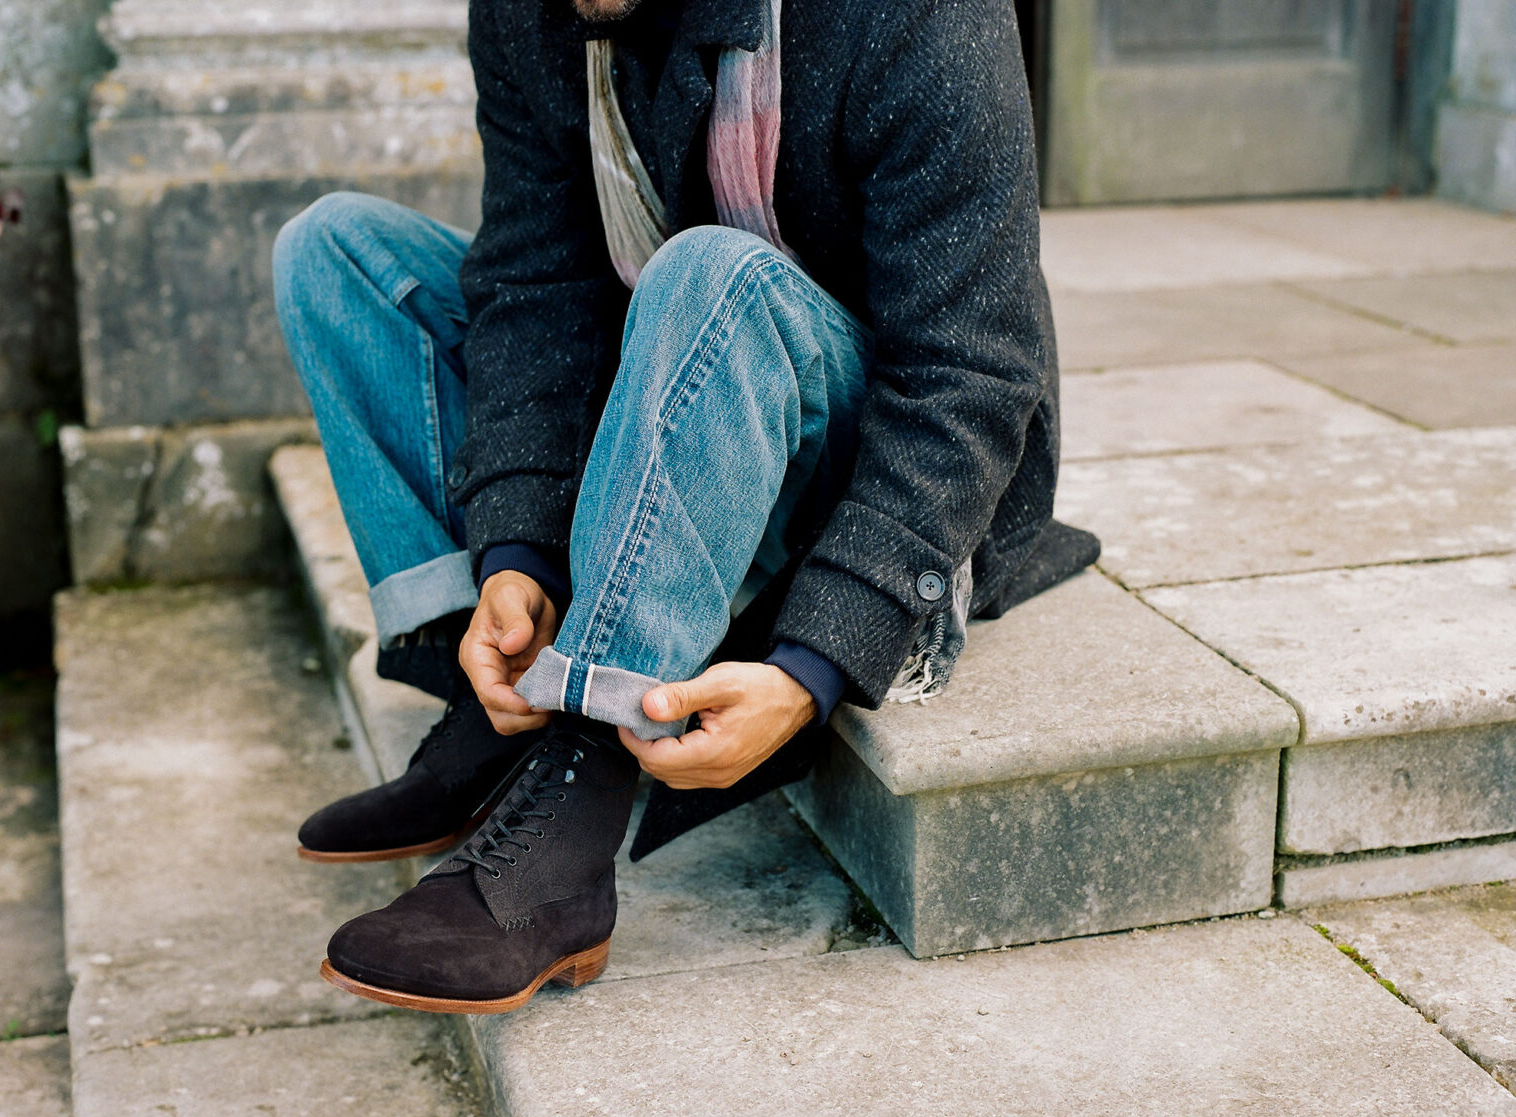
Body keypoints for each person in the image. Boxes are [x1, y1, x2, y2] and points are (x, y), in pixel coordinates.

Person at [271, 0, 1095, 1014]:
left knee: (713, 270)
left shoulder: (916, 13)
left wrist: (813, 668)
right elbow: (539, 281)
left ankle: (576, 782)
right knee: (338, 255)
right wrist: (514, 552)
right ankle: (495, 701)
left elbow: (971, 370)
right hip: (667, 379)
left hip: (863, 446)